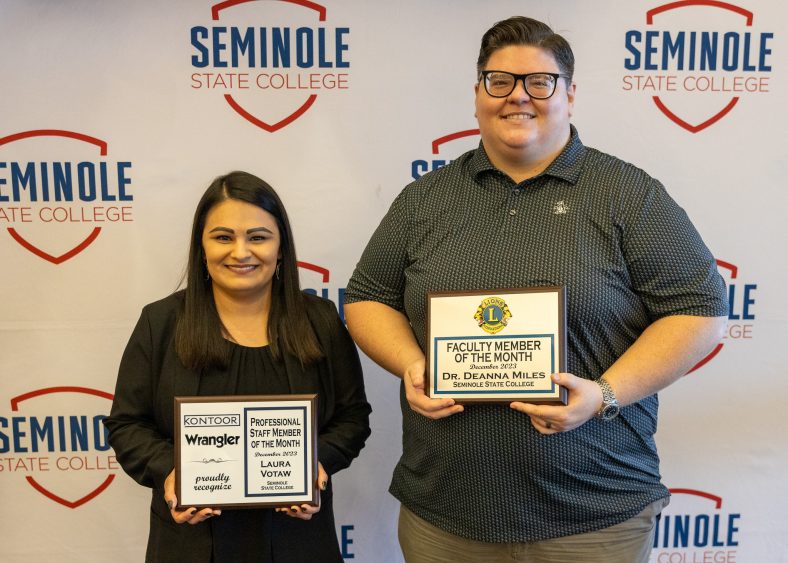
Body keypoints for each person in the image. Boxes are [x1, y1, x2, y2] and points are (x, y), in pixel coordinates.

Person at [344, 16, 727, 563]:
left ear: (570, 95)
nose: (518, 96)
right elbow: (366, 296)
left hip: (593, 516)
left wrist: (605, 394)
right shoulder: (423, 200)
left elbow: (700, 308)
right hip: (446, 515)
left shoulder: (628, 194)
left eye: (540, 82)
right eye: (499, 81)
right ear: (477, 94)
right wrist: (410, 363)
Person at [105, 171, 371, 562]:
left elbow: (352, 418)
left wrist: (316, 464)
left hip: (299, 538)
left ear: (281, 247)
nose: (241, 252)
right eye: (223, 237)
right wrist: (169, 472)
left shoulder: (321, 320)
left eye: (258, 237)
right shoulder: (160, 323)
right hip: (190, 542)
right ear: (202, 245)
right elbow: (126, 424)